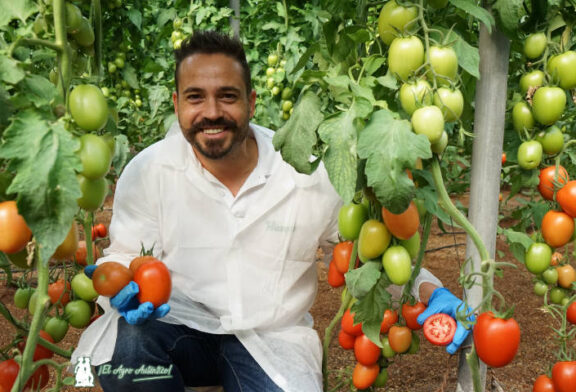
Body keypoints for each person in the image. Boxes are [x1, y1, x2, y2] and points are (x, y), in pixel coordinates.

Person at [72, 30, 472, 392]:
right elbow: (124, 256)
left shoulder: (307, 171)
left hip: (271, 340)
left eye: (227, 96)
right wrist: (120, 285)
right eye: (195, 97)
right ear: (177, 103)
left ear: (251, 102)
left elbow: (369, 255)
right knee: (128, 354)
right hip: (178, 329)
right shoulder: (149, 171)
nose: (211, 112)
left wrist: (427, 290)